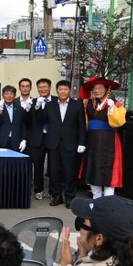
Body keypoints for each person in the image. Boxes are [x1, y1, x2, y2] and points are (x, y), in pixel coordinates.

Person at [41, 79, 87, 208]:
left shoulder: (77, 105)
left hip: (71, 143)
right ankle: (56, 196)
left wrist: (82, 142)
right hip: (53, 143)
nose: (63, 91)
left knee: (70, 172)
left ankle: (70, 197)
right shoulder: (49, 105)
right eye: (60, 89)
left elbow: (81, 125)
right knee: (54, 172)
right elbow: (42, 120)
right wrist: (38, 107)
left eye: (65, 89)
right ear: (56, 90)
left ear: (69, 91)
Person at [81, 76, 127, 198]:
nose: (97, 91)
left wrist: (112, 108)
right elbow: (85, 124)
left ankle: (108, 200)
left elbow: (119, 122)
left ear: (107, 89)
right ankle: (96, 198)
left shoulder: (116, 104)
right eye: (95, 88)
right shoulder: (88, 104)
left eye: (100, 88)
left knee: (109, 170)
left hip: (109, 142)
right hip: (92, 141)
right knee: (93, 168)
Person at [27, 78, 54, 200]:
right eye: (40, 87)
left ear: (50, 87)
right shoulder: (33, 102)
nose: (42, 89)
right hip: (37, 137)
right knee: (38, 165)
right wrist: (34, 107)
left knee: (54, 166)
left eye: (45, 87)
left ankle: (53, 191)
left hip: (53, 137)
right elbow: (27, 120)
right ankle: (39, 190)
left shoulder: (57, 101)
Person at [0, 85, 27, 151]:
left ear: (14, 96)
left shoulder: (20, 109)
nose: (9, 96)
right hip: (1, 141)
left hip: (16, 141)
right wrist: (0, 110)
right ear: (3, 95)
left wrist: (24, 139)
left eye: (11, 94)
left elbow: (23, 125)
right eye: (6, 94)